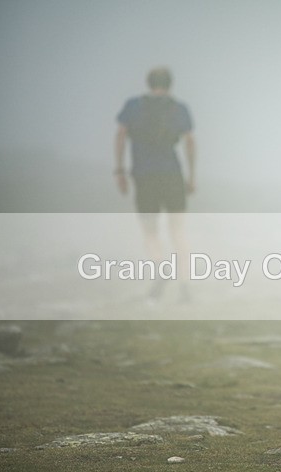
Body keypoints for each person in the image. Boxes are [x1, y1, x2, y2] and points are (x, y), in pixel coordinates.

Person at [114, 67, 196, 299]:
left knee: (150, 231)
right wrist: (191, 176)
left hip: (144, 175)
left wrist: (119, 171)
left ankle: (161, 267)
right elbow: (189, 141)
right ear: (170, 84)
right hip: (172, 174)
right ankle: (185, 285)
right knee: (178, 231)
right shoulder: (179, 108)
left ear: (148, 83)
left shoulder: (133, 107)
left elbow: (120, 135)